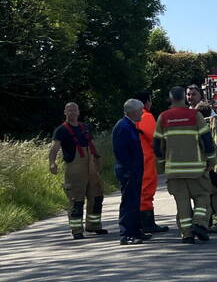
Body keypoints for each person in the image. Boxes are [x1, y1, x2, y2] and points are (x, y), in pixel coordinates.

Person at [153, 86, 217, 244]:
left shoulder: (163, 117)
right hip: (196, 170)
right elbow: (207, 141)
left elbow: (157, 145)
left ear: (170, 99)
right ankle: (199, 223)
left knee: (182, 203)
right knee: (203, 197)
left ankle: (187, 235)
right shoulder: (195, 116)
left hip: (174, 171)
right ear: (184, 98)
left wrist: (161, 165)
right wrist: (211, 161)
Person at [48, 102, 107, 239]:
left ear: (79, 112)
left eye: (74, 110)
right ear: (65, 112)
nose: (72, 112)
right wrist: (52, 163)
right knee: (76, 201)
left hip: (91, 169)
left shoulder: (84, 127)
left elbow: (91, 144)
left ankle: (93, 226)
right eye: (69, 110)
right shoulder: (61, 130)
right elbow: (54, 148)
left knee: (97, 198)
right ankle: (76, 230)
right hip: (74, 170)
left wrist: (98, 158)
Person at [133, 90, 169, 234]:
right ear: (147, 102)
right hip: (146, 158)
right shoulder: (146, 116)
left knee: (140, 190)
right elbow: (155, 139)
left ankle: (142, 222)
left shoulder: (131, 116)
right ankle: (148, 223)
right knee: (146, 190)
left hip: (136, 158)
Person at [112, 99, 147, 245]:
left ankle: (136, 230)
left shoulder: (130, 126)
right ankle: (126, 233)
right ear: (132, 111)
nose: (142, 113)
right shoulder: (123, 127)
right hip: (128, 172)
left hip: (134, 171)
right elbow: (121, 152)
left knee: (135, 201)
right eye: (140, 110)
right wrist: (130, 171)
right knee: (128, 202)